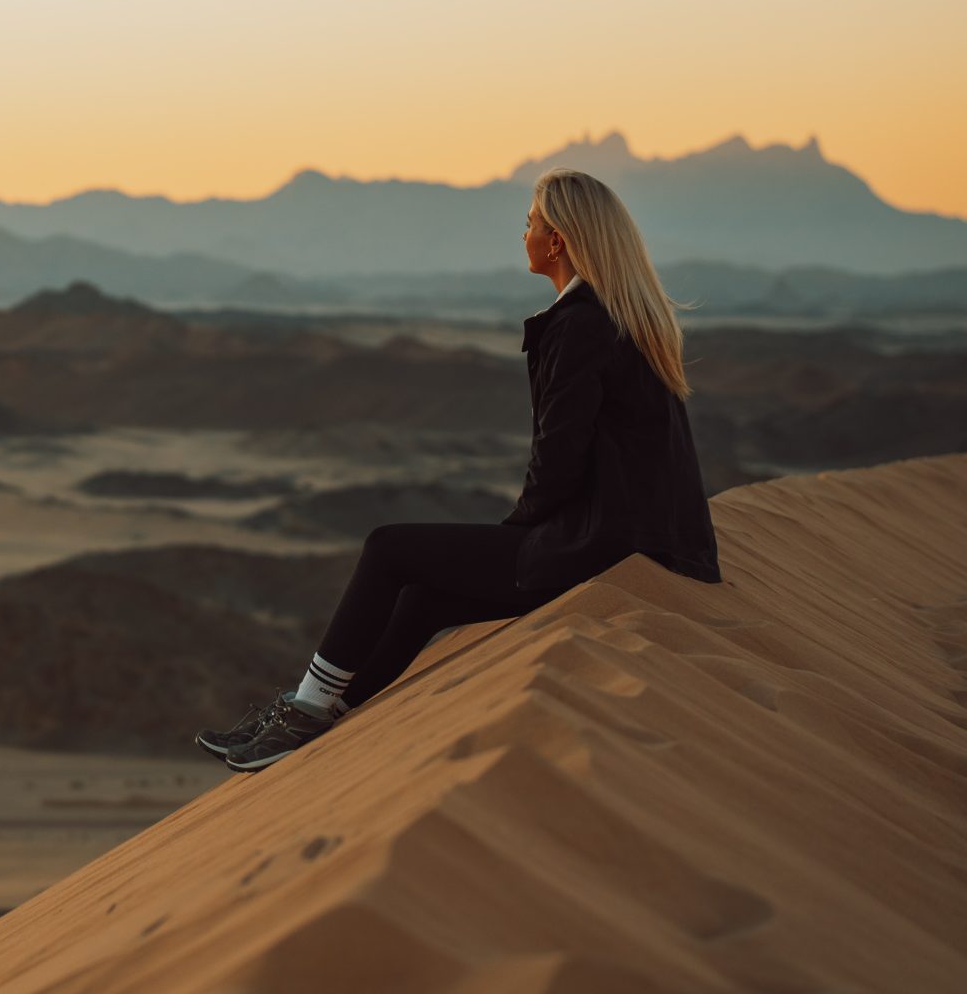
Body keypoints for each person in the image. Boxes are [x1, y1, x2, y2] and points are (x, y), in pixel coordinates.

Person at [198, 166, 725, 773]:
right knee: (426, 595)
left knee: (389, 547)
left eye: (529, 222)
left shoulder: (579, 325)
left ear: (557, 240)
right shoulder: (627, 318)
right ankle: (322, 716)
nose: (522, 233)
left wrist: (518, 532)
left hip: (602, 548)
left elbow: (558, 458)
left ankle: (305, 711)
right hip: (652, 544)